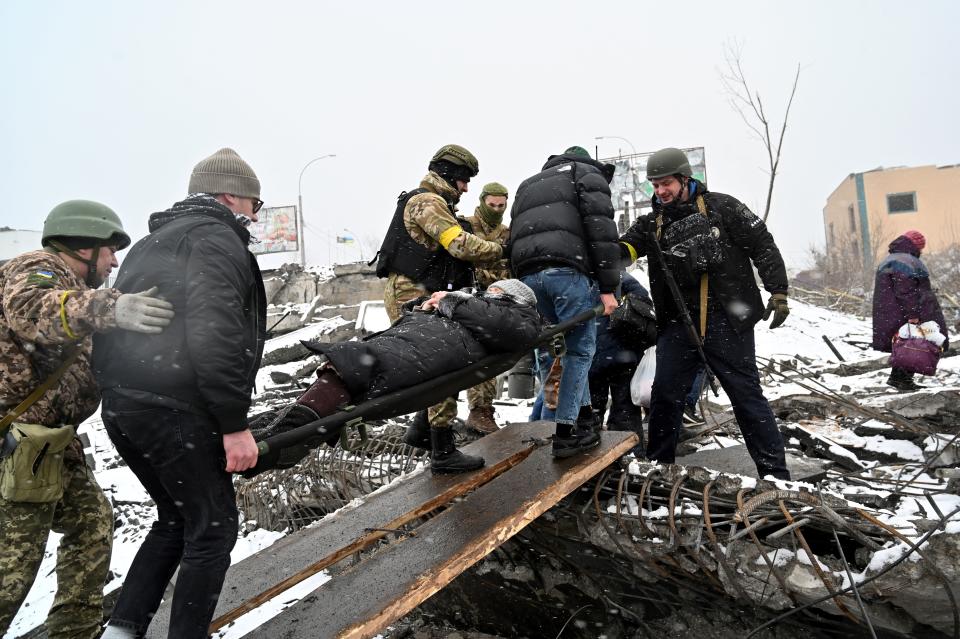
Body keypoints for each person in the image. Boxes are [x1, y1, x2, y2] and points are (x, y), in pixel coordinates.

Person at [93, 148, 267, 639]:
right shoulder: (214, 239)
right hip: (173, 406)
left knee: (174, 519)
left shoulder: (156, 241)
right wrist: (234, 424)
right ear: (231, 195)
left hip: (126, 404)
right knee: (212, 530)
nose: (255, 217)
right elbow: (216, 334)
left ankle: (122, 630)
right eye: (256, 204)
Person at [0, 201, 174, 639]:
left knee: (92, 523)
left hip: (52, 444)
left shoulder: (74, 287)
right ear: (82, 247)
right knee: (13, 571)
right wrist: (110, 309)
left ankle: (73, 632)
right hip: (18, 448)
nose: (115, 261)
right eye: (109, 250)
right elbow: (31, 309)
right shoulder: (37, 268)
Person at [247, 280, 542, 476]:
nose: (485, 290)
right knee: (347, 370)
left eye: (494, 288)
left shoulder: (517, 314)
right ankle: (270, 439)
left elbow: (511, 332)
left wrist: (453, 302)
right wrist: (424, 306)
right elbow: (417, 320)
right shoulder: (475, 305)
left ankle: (271, 446)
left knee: (354, 368)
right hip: (409, 345)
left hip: (421, 352)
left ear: (511, 297)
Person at [618, 147, 791, 480]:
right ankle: (658, 472)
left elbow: (762, 244)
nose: (660, 191)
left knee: (746, 397)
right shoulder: (651, 223)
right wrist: (602, 251)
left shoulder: (723, 208)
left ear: (685, 178)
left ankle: (776, 477)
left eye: (666, 183)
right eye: (654, 185)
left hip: (727, 320)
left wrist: (778, 290)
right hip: (677, 326)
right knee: (665, 399)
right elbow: (624, 250)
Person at [374, 145, 504, 463]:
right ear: (450, 175)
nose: (466, 188)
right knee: (443, 362)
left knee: (441, 363)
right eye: (464, 180)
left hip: (418, 289)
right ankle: (442, 449)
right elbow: (459, 244)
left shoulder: (435, 202)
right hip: (412, 292)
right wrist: (501, 249)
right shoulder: (427, 202)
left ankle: (424, 429)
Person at [509, 146, 621, 458]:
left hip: (528, 278)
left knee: (554, 350)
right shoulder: (585, 174)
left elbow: (513, 238)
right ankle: (567, 433)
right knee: (580, 351)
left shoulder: (528, 184)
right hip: (566, 271)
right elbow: (602, 231)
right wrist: (609, 287)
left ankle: (584, 419)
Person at [460, 182, 512, 434]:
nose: (496, 209)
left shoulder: (507, 232)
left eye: (501, 205)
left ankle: (482, 411)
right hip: (466, 300)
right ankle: (433, 423)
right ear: (482, 201)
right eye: (491, 205)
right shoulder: (465, 226)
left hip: (495, 303)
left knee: (489, 357)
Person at [872, 230, 949, 391]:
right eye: (921, 247)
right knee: (914, 344)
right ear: (916, 246)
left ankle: (900, 379)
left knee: (907, 345)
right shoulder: (906, 261)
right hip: (904, 310)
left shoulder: (892, 259)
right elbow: (905, 291)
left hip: (891, 311)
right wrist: (913, 314)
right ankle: (901, 380)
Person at [589, 272, 652, 453]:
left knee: (592, 408)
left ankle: (590, 454)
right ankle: (631, 453)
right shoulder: (616, 275)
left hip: (592, 356)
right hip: (623, 353)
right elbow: (641, 296)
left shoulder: (577, 280)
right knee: (626, 408)